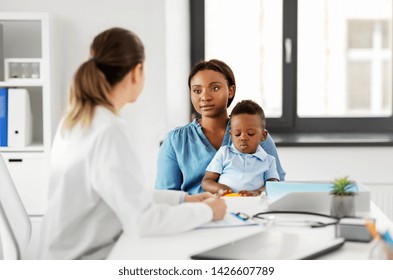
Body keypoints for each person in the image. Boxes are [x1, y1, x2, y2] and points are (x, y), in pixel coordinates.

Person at [38, 28, 226, 260]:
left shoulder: (76, 120)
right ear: (137, 72)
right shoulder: (108, 130)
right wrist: (207, 211)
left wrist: (183, 199)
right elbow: (143, 221)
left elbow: (125, 194)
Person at [155, 59, 285, 194]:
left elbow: (277, 186)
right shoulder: (175, 141)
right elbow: (165, 196)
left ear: (231, 91)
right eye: (197, 90)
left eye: (215, 88)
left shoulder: (256, 136)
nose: (205, 97)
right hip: (197, 213)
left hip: (247, 212)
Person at [202, 100, 279, 197]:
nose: (243, 137)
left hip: (253, 204)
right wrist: (221, 188)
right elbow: (206, 181)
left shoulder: (269, 160)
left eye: (250, 133)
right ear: (231, 135)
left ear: (263, 136)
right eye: (237, 134)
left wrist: (257, 192)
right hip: (226, 203)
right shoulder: (224, 153)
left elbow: (273, 185)